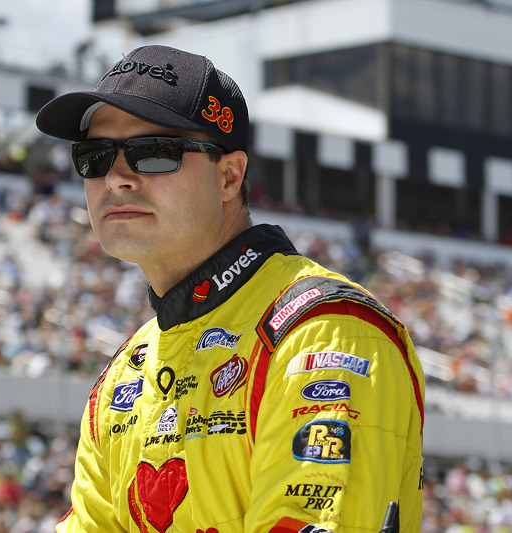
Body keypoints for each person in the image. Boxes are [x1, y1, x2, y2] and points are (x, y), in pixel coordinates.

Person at [35, 44, 425, 533]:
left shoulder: (323, 330)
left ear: (229, 175)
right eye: (93, 158)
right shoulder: (121, 377)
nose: (116, 178)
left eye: (153, 154)